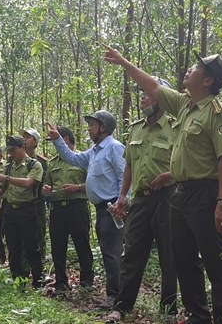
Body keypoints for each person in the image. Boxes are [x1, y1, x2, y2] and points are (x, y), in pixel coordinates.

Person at [103, 44, 222, 324]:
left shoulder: (216, 112)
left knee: (215, 260)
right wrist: (123, 62)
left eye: (197, 68)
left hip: (205, 194)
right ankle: (198, 317)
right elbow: (152, 85)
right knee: (185, 258)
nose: (189, 70)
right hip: (180, 196)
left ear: (208, 80)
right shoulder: (185, 105)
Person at [106, 77, 178, 322]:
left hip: (168, 197)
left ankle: (169, 309)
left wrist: (169, 174)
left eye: (147, 93)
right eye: (141, 94)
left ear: (162, 98)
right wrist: (123, 196)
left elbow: (186, 161)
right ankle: (121, 307)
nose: (142, 97)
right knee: (132, 253)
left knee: (170, 255)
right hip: (141, 199)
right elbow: (129, 163)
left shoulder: (175, 127)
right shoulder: (136, 128)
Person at [46, 110, 128, 309]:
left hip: (113, 208)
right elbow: (72, 158)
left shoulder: (115, 148)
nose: (89, 129)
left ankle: (114, 297)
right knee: (108, 251)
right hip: (101, 209)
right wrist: (57, 140)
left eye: (92, 125)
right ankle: (113, 294)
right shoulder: (94, 151)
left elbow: (125, 176)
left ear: (103, 127)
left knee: (111, 253)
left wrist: (122, 202)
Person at [42, 126, 94, 297]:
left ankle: (87, 283)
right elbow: (47, 186)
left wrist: (77, 187)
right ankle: (61, 284)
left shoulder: (83, 159)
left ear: (65, 139)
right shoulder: (52, 163)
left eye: (56, 141)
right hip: (57, 210)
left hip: (77, 207)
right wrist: (46, 190)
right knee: (58, 247)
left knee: (82, 245)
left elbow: (95, 184)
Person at [0, 135, 44, 289]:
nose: (11, 154)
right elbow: (2, 192)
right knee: (13, 248)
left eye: (13, 150)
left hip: (27, 210)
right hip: (10, 211)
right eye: (9, 151)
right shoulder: (9, 167)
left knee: (31, 247)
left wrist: (6, 178)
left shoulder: (34, 165)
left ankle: (38, 282)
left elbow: (28, 183)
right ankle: (18, 281)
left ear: (22, 147)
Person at [20, 127, 49, 260]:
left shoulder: (42, 162)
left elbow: (48, 182)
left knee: (39, 234)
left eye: (28, 137)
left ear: (36, 142)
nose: (24, 139)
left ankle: (40, 265)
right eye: (23, 137)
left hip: (37, 204)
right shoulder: (14, 160)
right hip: (20, 204)